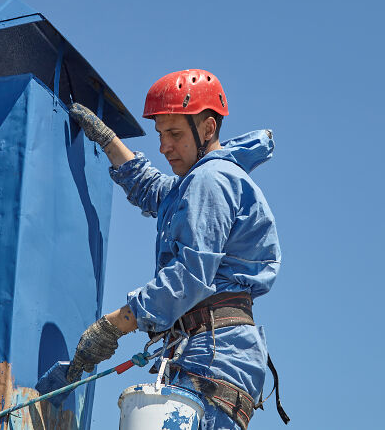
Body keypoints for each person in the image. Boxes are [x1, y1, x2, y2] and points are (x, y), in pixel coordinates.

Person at [67, 69, 287, 430]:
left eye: (174, 134)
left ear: (208, 129)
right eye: (159, 134)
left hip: (213, 353)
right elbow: (155, 191)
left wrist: (116, 325)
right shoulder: (201, 180)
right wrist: (107, 140)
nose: (164, 146)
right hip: (212, 349)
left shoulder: (210, 180)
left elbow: (188, 277)